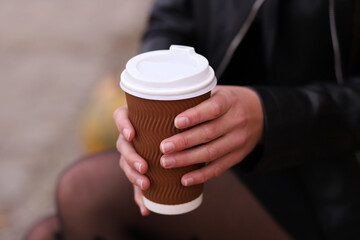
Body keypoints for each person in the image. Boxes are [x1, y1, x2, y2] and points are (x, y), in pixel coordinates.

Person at [26, 0, 360, 239]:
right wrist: (152, 91)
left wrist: (268, 114)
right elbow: (170, 16)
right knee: (44, 233)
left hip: (333, 182)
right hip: (215, 148)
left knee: (84, 192)